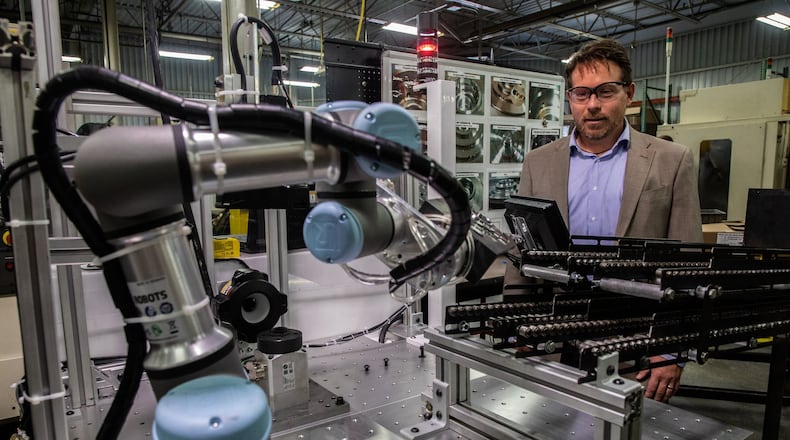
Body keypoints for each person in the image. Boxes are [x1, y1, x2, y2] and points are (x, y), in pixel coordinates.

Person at [504, 39, 703, 402]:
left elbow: (686, 266)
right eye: (582, 94)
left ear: (629, 93)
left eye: (605, 92)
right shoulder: (539, 162)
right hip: (556, 332)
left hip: (638, 340)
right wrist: (520, 330)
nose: (592, 105)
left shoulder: (671, 160)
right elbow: (523, 255)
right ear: (570, 98)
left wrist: (672, 350)